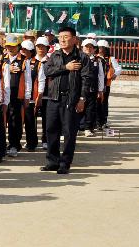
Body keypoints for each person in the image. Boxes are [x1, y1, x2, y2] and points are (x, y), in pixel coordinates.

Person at [41, 26, 92, 174]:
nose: (62, 39)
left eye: (66, 36)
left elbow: (86, 79)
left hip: (71, 99)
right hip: (53, 98)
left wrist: (82, 98)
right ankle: (52, 162)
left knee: (69, 133)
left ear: (75, 39)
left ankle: (65, 163)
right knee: (51, 130)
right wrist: (66, 67)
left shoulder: (82, 57)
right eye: (60, 36)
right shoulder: (55, 55)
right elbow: (47, 71)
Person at [3, 35, 32, 156]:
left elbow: (28, 79)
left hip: (17, 94)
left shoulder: (24, 60)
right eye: (8, 46)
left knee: (15, 120)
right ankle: (3, 145)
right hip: (4, 94)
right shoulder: (2, 59)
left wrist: (27, 95)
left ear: (18, 47)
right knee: (4, 120)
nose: (10, 48)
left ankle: (15, 144)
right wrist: (7, 69)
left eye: (13, 46)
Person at [78, 38, 104, 138]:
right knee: (78, 109)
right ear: (82, 48)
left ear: (94, 49)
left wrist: (100, 89)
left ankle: (88, 128)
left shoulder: (98, 60)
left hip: (92, 89)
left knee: (90, 109)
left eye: (91, 47)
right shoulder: (78, 58)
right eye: (86, 47)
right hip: (80, 89)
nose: (88, 49)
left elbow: (101, 75)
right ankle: (76, 127)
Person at [96, 39, 121, 130]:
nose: (99, 49)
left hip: (106, 84)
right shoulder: (94, 57)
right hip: (96, 84)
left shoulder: (111, 58)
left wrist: (114, 74)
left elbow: (118, 68)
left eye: (101, 48)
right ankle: (97, 121)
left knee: (104, 102)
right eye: (98, 47)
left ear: (106, 49)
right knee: (96, 103)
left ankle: (104, 121)